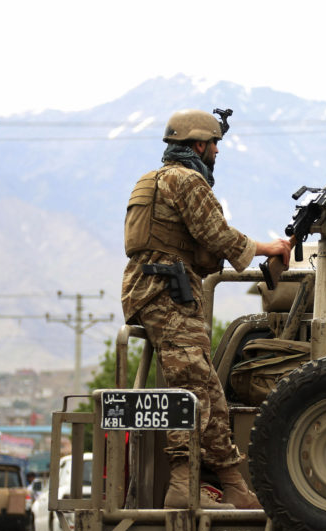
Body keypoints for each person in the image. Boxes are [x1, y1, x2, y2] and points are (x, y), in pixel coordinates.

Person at [122, 108, 291, 510]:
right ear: (198, 144)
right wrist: (269, 248)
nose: (217, 151)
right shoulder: (187, 180)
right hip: (166, 294)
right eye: (214, 143)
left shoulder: (157, 179)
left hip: (164, 291)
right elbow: (216, 235)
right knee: (193, 388)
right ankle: (184, 485)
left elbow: (194, 246)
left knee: (208, 388)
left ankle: (232, 483)